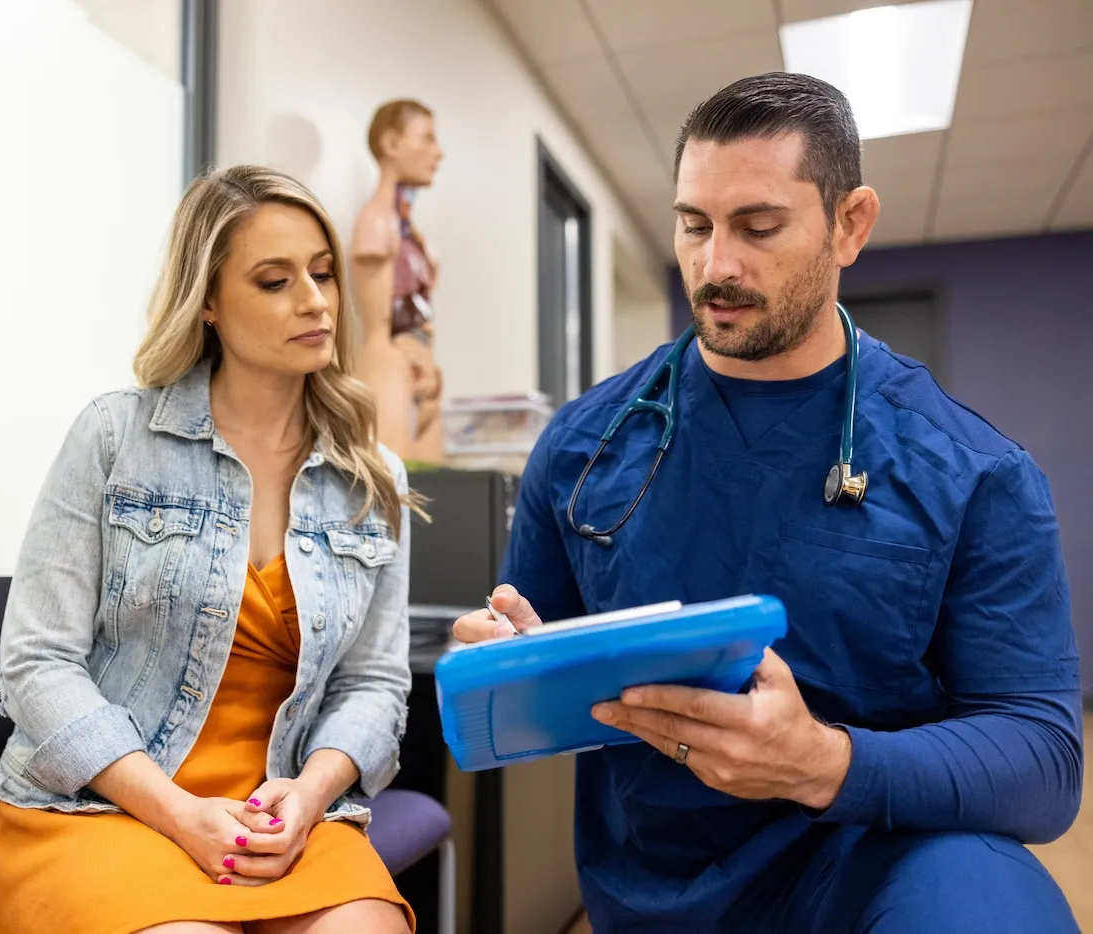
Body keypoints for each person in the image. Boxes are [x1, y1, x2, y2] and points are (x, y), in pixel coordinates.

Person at [453, 73, 1082, 933]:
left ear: (850, 224)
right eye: (693, 225)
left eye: (758, 227)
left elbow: (1041, 760)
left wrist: (822, 763)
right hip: (654, 877)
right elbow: (542, 663)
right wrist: (506, 665)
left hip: (874, 858)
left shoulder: (974, 472)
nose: (716, 265)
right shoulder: (584, 444)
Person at [0, 166, 417, 934]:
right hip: (109, 807)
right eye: (274, 281)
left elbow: (375, 683)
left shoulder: (371, 476)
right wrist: (179, 813)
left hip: (284, 812)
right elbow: (36, 663)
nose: (314, 301)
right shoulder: (114, 436)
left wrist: (310, 794)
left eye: (322, 275)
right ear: (208, 302)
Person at [352, 98, 445, 464]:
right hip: (390, 369)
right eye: (427, 139)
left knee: (431, 502)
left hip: (423, 376)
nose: (437, 153)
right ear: (391, 144)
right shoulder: (377, 223)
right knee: (394, 494)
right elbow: (378, 329)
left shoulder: (414, 236)